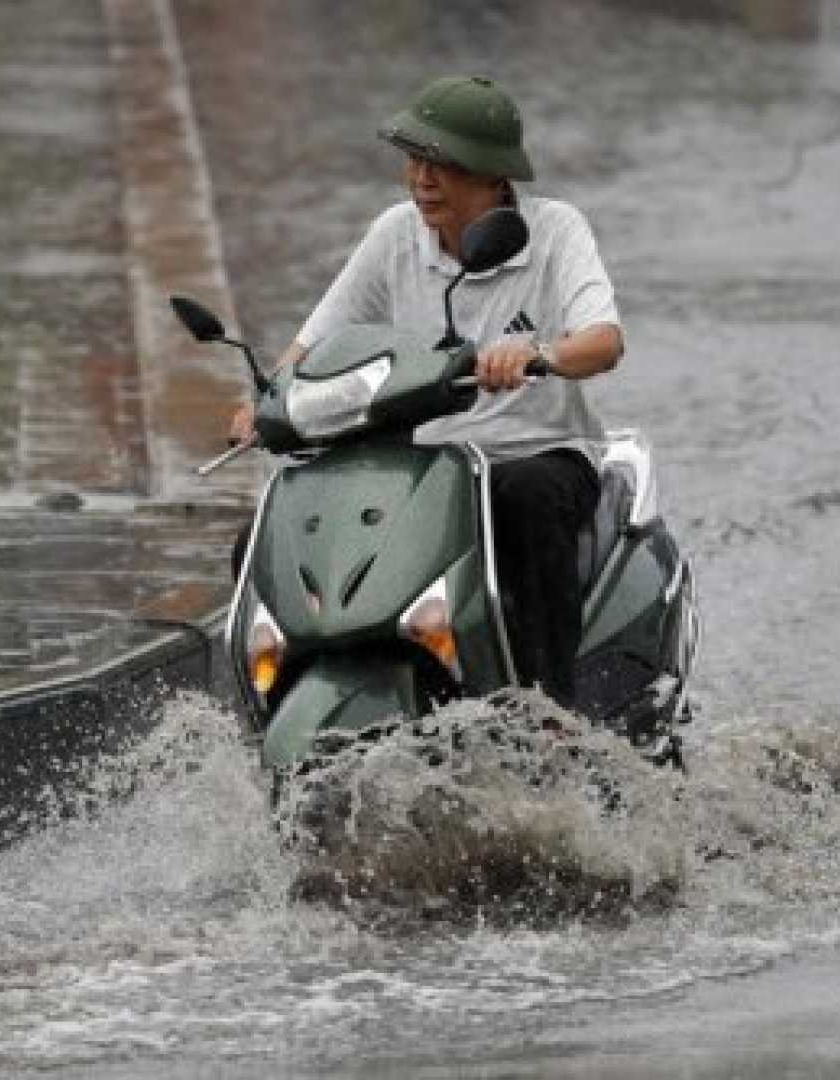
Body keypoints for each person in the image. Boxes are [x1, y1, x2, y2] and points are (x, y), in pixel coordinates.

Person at [230, 74, 624, 707]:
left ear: (495, 176)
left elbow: (604, 341)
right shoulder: (395, 234)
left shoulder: (556, 232)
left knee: (524, 499)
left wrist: (538, 352)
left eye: (443, 164)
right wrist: (268, 399)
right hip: (423, 467)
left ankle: (552, 711)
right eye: (414, 160)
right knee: (263, 538)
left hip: (535, 453)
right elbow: (317, 337)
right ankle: (265, 704)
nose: (422, 178)